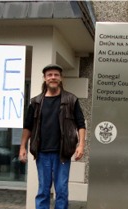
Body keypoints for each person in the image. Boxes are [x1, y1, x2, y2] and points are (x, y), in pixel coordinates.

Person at [19, 64, 86, 209]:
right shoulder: (36, 102)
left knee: (61, 191)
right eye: (49, 75)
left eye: (56, 75)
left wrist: (81, 145)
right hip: (42, 153)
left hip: (63, 153)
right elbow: (28, 126)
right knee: (43, 190)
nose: (53, 77)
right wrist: (22, 147)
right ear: (44, 78)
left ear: (60, 78)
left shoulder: (71, 99)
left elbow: (81, 124)